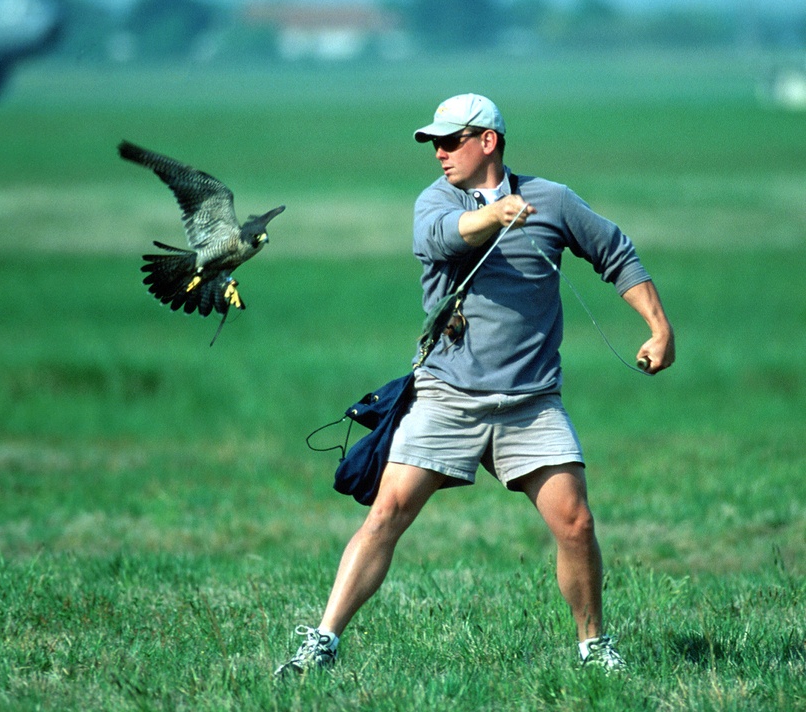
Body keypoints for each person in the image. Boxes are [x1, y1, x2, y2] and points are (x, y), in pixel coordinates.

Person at [276, 93, 675, 675]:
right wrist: (494, 214)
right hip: (447, 397)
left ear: (487, 140)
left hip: (531, 402)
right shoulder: (434, 200)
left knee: (576, 522)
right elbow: (440, 237)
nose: (438, 153)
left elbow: (615, 252)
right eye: (433, 143)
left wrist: (659, 328)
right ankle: (322, 643)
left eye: (449, 140)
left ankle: (594, 647)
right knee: (386, 512)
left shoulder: (554, 200)